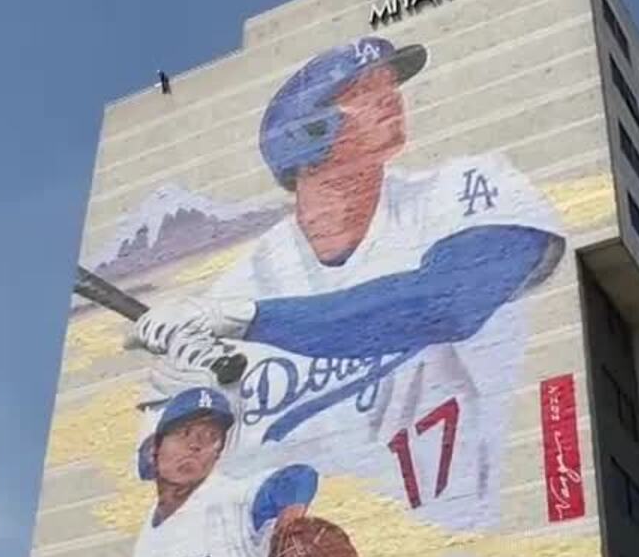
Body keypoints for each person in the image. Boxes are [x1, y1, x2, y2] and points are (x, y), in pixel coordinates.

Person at [129, 36, 565, 531]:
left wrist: (248, 320)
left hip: (466, 553)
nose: (391, 98)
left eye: (390, 84)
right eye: (361, 90)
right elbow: (161, 474)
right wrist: (178, 397)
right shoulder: (240, 281)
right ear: (306, 133)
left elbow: (451, 303)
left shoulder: (464, 188)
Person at [46, 386, 320, 557]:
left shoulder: (230, 500)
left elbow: (297, 477)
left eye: (209, 437)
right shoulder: (150, 534)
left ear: (217, 454)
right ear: (155, 450)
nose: (196, 445)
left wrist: (291, 518)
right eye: (184, 433)